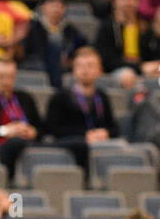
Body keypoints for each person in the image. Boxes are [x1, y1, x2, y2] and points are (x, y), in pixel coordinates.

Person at [45, 46, 120, 177]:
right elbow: (53, 129)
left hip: (100, 143)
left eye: (90, 66)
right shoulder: (60, 97)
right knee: (80, 146)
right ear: (74, 69)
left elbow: (114, 127)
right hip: (73, 145)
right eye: (80, 66)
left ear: (99, 70)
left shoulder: (102, 97)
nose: (85, 70)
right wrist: (85, 135)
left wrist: (105, 133)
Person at [95, 0, 160, 79]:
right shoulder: (107, 27)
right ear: (114, 1)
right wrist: (140, 67)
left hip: (145, 71)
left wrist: (155, 66)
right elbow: (107, 61)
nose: (129, 2)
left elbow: (155, 54)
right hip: (117, 73)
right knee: (128, 74)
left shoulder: (146, 27)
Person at [23, 0, 86, 88]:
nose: (56, 8)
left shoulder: (70, 30)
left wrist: (71, 60)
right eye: (52, 4)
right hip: (37, 64)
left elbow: (82, 46)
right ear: (43, 6)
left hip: (63, 66)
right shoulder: (32, 27)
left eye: (60, 5)